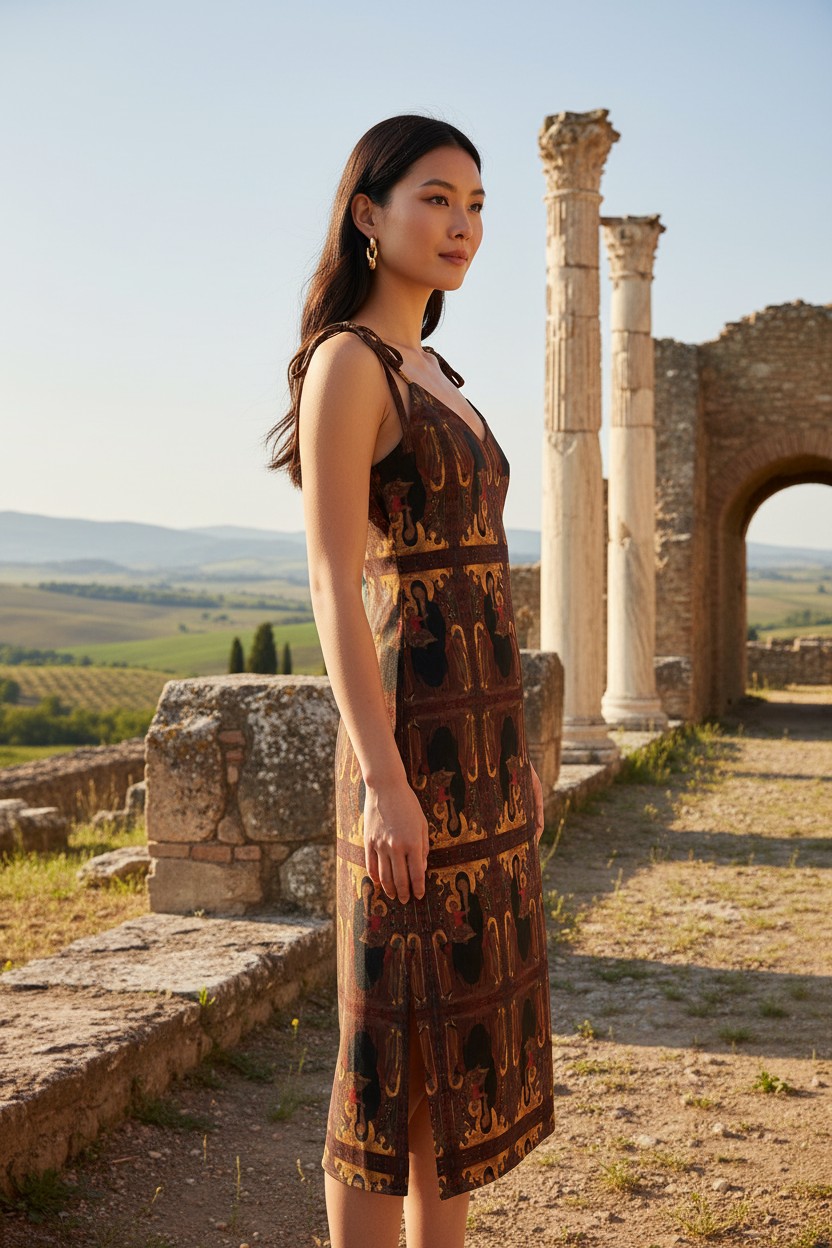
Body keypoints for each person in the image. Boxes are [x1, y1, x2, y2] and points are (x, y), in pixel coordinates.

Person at [267, 114, 555, 1248]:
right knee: (386, 1061)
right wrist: (385, 785)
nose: (462, 225)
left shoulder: (441, 373)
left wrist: (523, 760)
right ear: (367, 213)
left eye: (476, 205)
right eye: (436, 197)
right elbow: (337, 584)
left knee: (458, 1066)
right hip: (406, 758)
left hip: (482, 763)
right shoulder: (352, 363)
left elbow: (481, 589)